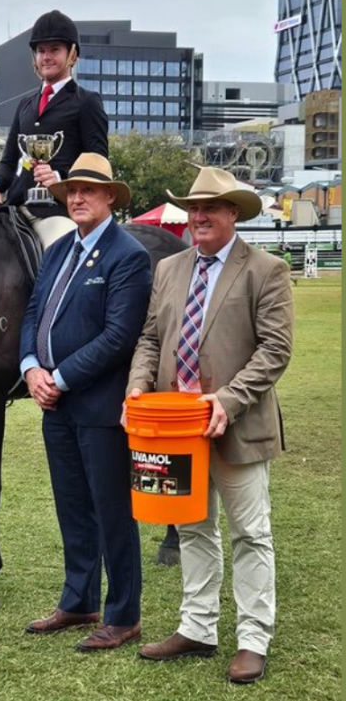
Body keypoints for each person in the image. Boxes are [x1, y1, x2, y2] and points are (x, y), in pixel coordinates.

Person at [126, 166, 293, 684]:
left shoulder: (267, 269)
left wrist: (228, 399)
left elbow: (275, 349)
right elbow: (152, 338)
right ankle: (197, 628)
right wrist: (137, 384)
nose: (198, 215)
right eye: (193, 208)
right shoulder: (170, 269)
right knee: (194, 530)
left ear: (233, 214)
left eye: (210, 208)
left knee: (250, 534)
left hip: (236, 426)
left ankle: (252, 639)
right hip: (177, 430)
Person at [19, 152, 152, 652]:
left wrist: (61, 376)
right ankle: (79, 601)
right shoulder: (57, 251)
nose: (76, 198)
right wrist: (30, 367)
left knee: (111, 510)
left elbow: (120, 335)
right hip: (55, 404)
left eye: (88, 191)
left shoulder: (128, 254)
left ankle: (124, 614)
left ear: (110, 198)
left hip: (99, 407)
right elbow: (32, 313)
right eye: (71, 191)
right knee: (73, 507)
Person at [0, 10, 108, 219]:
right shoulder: (25, 105)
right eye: (41, 51)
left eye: (54, 50)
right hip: (15, 206)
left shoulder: (86, 102)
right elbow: (9, 162)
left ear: (72, 54)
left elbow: (97, 164)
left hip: (58, 212)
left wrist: (59, 179)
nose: (46, 57)